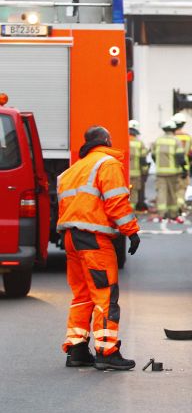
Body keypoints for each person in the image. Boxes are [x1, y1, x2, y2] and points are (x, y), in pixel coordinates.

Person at [57, 126, 141, 371]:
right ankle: (106, 350)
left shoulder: (72, 171)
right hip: (94, 238)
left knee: (82, 296)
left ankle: (77, 349)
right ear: (106, 140)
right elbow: (116, 202)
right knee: (105, 295)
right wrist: (131, 231)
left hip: (71, 237)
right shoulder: (108, 164)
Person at [153, 121, 185, 223]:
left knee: (162, 192)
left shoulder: (157, 140)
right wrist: (184, 169)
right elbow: (180, 157)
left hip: (160, 173)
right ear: (173, 130)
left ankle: (162, 214)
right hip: (173, 173)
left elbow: (153, 155)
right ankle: (173, 214)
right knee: (173, 193)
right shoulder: (176, 141)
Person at [172, 114, 192, 215]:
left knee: (172, 189)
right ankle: (180, 207)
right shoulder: (187, 137)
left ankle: (172, 208)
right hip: (184, 167)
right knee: (182, 189)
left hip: (171, 167)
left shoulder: (170, 137)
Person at [127, 120, 149, 211]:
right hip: (135, 174)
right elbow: (143, 161)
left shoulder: (122, 141)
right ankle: (131, 212)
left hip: (122, 174)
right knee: (134, 194)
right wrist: (144, 172)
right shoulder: (139, 143)